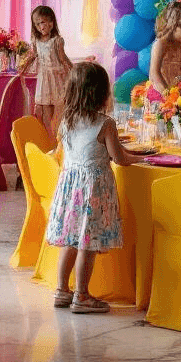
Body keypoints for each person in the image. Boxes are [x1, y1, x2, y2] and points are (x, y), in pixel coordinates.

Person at [44, 61, 139, 314]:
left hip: (71, 189)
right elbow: (119, 158)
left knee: (71, 240)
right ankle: (82, 296)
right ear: (102, 93)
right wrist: (142, 159)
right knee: (88, 243)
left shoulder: (67, 121)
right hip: (93, 192)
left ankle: (62, 290)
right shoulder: (105, 124)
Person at [19, 5, 74, 136]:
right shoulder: (36, 41)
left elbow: (63, 58)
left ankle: (58, 136)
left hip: (57, 77)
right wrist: (23, 68)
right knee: (44, 109)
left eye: (42, 22)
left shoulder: (57, 40)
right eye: (37, 24)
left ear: (51, 22)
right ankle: (49, 138)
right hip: (44, 79)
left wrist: (74, 70)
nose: (40, 27)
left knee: (59, 109)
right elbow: (33, 56)